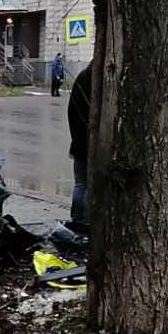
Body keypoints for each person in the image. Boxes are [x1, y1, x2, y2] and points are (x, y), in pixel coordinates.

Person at [67, 58, 94, 231]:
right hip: (91, 143)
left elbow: (71, 111)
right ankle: (84, 222)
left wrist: (76, 138)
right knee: (85, 184)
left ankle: (77, 219)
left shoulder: (82, 77)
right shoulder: (100, 79)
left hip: (79, 142)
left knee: (80, 184)